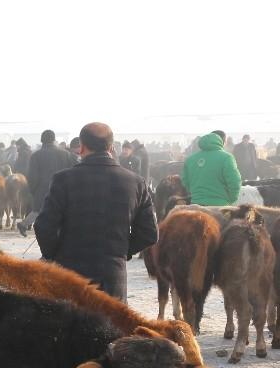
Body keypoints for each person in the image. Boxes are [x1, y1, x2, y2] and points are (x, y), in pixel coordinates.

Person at [34, 122, 157, 302]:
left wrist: (55, 256)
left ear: (81, 148)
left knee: (72, 328)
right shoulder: (135, 182)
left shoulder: (63, 180)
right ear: (111, 147)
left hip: (69, 277)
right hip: (113, 276)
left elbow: (44, 226)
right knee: (111, 328)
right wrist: (121, 251)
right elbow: (149, 233)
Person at [18, 129, 78, 236]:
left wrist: (33, 190)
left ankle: (24, 224)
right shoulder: (66, 154)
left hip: (42, 189)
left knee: (38, 210)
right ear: (54, 140)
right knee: (61, 212)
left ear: (42, 141)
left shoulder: (36, 155)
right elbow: (74, 171)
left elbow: (32, 177)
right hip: (62, 189)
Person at [181, 132, 242, 206]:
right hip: (219, 206)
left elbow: (185, 182)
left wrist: (195, 196)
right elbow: (234, 182)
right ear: (220, 142)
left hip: (196, 205)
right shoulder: (227, 158)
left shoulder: (190, 159)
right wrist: (231, 199)